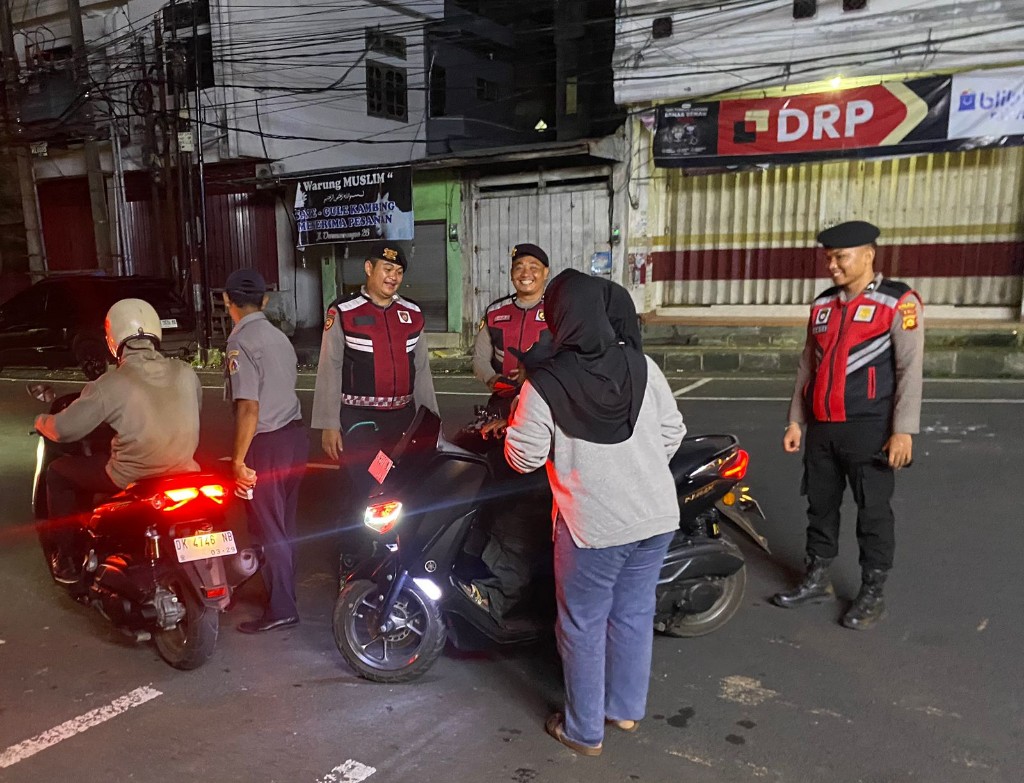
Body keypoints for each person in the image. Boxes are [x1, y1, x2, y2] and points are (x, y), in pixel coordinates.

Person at [502, 269, 686, 756]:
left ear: (560, 318)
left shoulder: (544, 383)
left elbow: (522, 456)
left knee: (582, 624)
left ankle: (584, 731)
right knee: (633, 612)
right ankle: (624, 710)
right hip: (655, 517)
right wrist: (637, 472)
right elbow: (673, 432)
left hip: (592, 528)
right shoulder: (643, 365)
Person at [772, 220, 924, 630]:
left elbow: (910, 368)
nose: (832, 265)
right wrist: (796, 421)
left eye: (841, 257)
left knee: (872, 513)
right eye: (829, 258)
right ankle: (817, 579)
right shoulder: (823, 305)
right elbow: (808, 366)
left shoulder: (899, 302)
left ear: (869, 255)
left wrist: (903, 429)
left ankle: (872, 593)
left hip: (870, 429)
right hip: (822, 428)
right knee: (820, 506)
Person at [35, 298, 202, 582]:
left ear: (113, 340)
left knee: (58, 473)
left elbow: (65, 430)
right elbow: (193, 410)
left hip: (133, 475)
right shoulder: (186, 373)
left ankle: (66, 558)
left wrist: (41, 421)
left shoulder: (111, 384)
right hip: (186, 470)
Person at [310, 243, 439, 550]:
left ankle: (395, 552)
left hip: (402, 419)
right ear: (369, 269)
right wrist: (329, 424)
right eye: (386, 269)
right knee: (363, 487)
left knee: (401, 486)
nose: (392, 277)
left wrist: (433, 422)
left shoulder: (412, 313)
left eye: (398, 271)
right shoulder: (343, 311)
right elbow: (330, 367)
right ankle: (354, 556)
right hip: (359, 421)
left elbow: (421, 370)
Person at [222, 269, 308, 634]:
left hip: (268, 444)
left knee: (268, 527)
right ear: (265, 301)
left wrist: (239, 460)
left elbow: (249, 408)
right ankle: (282, 593)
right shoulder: (278, 337)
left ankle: (282, 608)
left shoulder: (240, 343)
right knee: (283, 525)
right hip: (295, 438)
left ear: (227, 302)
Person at [472, 243, 550, 417]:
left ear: (546, 273)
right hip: (502, 402)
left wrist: (533, 375)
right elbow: (480, 358)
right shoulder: (495, 312)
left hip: (546, 404)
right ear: (511, 274)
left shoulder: (559, 310)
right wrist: (492, 378)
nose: (525, 274)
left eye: (533, 267)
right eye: (519, 268)